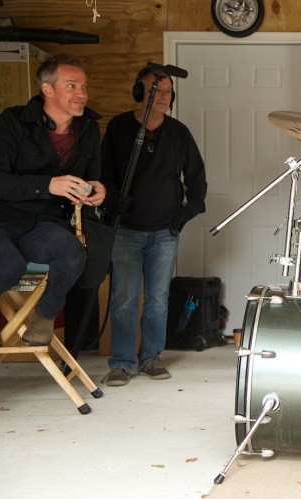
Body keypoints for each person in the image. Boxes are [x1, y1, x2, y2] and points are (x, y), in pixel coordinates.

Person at [0, 54, 105, 348]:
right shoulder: (12, 122)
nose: (81, 93)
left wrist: (97, 191)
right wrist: (47, 185)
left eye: (83, 86)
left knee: (73, 253)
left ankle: (44, 316)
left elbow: (93, 178)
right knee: (8, 264)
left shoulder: (89, 130)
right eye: (71, 86)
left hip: (43, 223)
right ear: (47, 89)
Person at [101, 66, 207, 386]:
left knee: (158, 299)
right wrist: (110, 199)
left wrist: (189, 211)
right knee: (124, 297)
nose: (163, 97)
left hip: (165, 232)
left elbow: (197, 178)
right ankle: (121, 362)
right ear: (139, 93)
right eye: (156, 90)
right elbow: (103, 173)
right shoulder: (119, 128)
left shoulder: (179, 133)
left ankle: (150, 358)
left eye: (168, 92)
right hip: (126, 230)